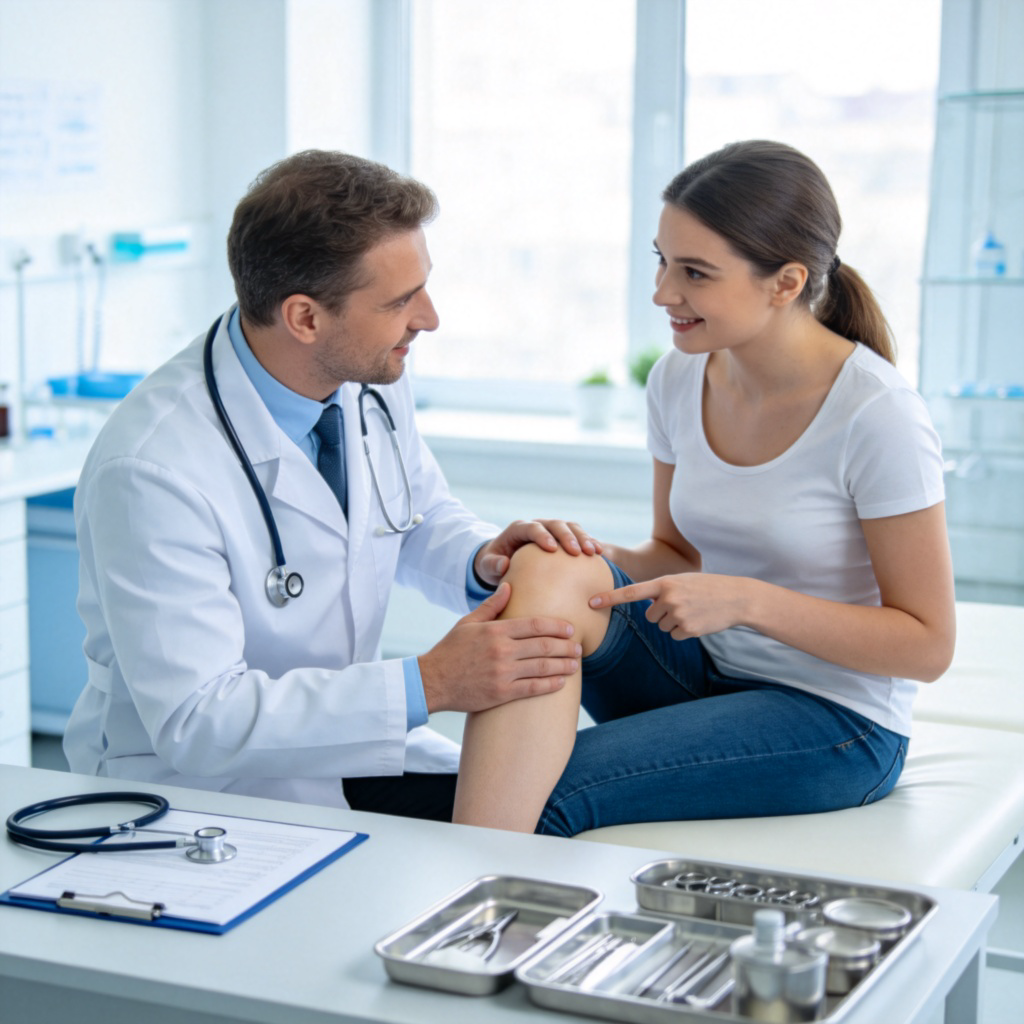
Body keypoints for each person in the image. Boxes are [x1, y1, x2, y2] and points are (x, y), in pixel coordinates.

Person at [63, 150, 602, 817]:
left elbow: (416, 513)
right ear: (306, 318)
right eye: (401, 301)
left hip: (341, 754)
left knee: (549, 808)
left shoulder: (362, 378)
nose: (429, 318)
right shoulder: (151, 470)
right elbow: (198, 720)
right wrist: (430, 682)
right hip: (203, 797)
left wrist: (478, 558)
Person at [453, 140, 956, 837]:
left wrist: (747, 601)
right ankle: (466, 879)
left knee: (539, 792)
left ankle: (471, 895)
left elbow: (928, 647)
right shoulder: (680, 377)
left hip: (835, 720)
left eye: (694, 272)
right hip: (697, 671)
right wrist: (577, 557)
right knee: (549, 568)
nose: (663, 293)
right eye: (662, 261)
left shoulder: (877, 415)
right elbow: (674, 554)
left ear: (785, 283)